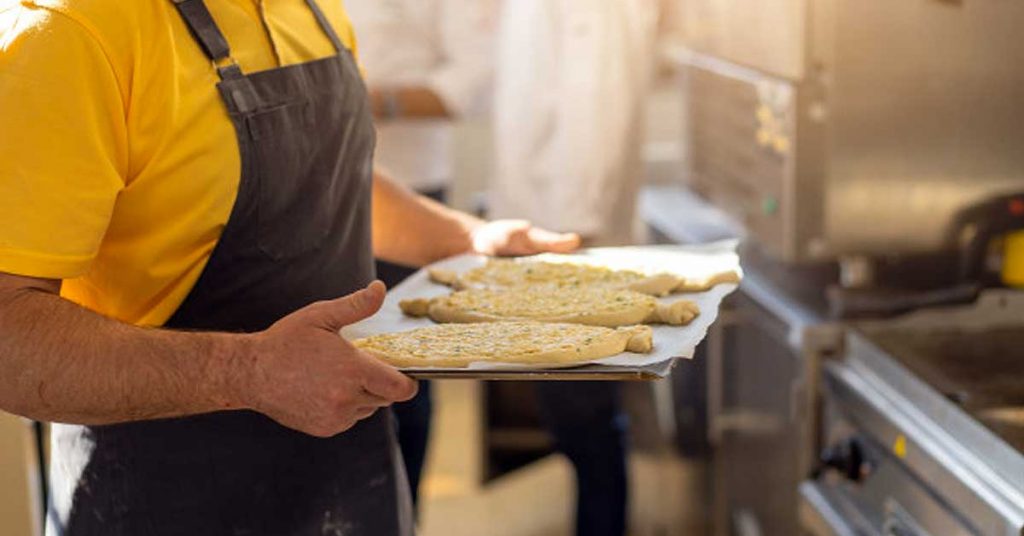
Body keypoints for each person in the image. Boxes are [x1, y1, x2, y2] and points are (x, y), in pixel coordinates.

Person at [0, 1, 578, 535]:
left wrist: (467, 241)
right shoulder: (70, 34)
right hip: (166, 499)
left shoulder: (310, 8)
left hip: (353, 484)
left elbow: (322, 177)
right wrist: (246, 372)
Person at [490, 1, 662, 535]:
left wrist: (572, 233)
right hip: (547, 229)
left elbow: (598, 106)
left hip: (567, 241)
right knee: (573, 416)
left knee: (584, 420)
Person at [345, 0, 499, 509]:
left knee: (400, 376)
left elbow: (474, 80)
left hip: (410, 189)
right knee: (327, 367)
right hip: (315, 189)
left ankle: (403, 514)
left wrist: (370, 103)